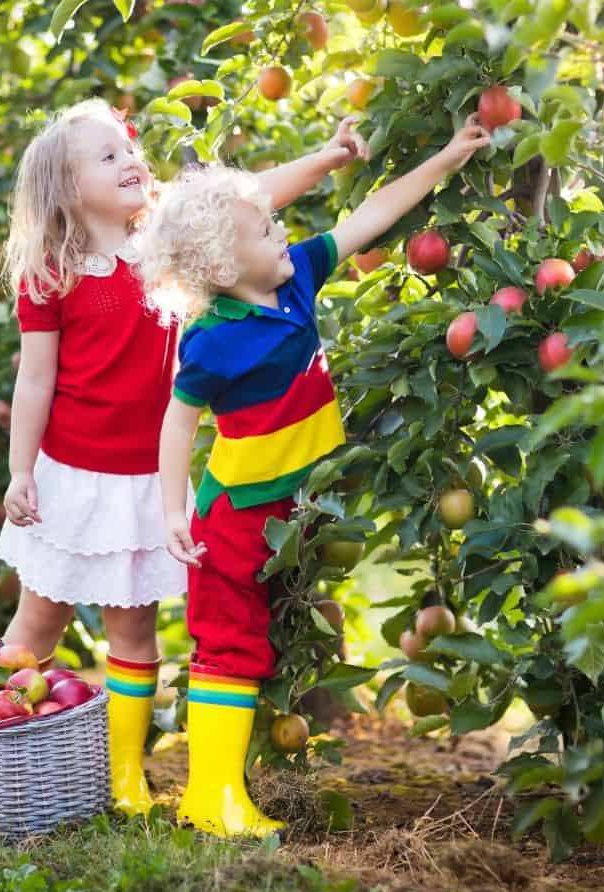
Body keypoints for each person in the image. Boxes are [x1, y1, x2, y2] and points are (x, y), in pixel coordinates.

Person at [0, 97, 369, 816]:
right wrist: (20, 471)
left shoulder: (162, 236)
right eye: (107, 157)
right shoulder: (52, 271)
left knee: (133, 632)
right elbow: (34, 376)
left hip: (145, 478)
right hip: (71, 475)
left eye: (128, 148)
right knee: (39, 618)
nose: (131, 161)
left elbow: (249, 201)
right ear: (67, 189)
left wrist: (325, 157)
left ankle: (122, 776)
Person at [139, 114, 491, 837]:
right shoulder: (210, 343)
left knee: (261, 641)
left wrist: (448, 155)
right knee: (228, 646)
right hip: (235, 514)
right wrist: (172, 512)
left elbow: (374, 212)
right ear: (218, 268)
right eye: (264, 229)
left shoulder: (298, 279)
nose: (281, 233)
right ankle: (211, 796)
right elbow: (179, 424)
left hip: (296, 510)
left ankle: (223, 788)